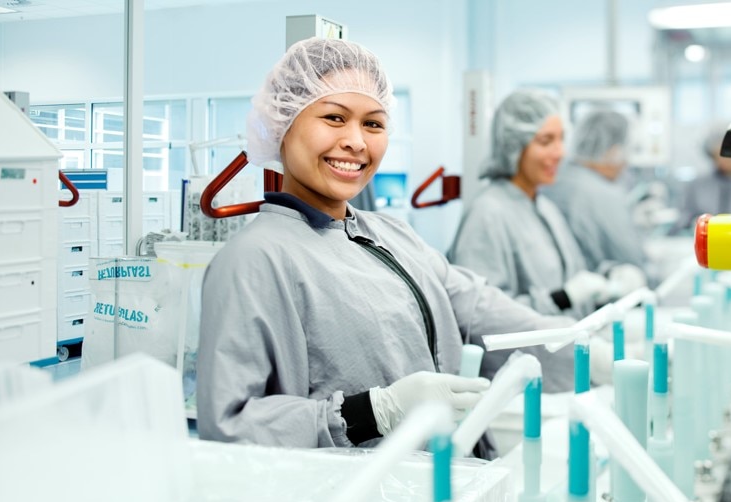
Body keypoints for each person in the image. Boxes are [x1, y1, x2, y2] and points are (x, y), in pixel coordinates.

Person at [195, 38, 607, 455]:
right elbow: (230, 425)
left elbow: (478, 307)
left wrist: (585, 351)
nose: (357, 141)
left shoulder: (390, 234)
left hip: (441, 484)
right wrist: (372, 412)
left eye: (373, 124)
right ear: (282, 125)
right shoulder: (253, 260)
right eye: (334, 118)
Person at [447, 90, 643, 319]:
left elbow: (573, 275)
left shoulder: (543, 207)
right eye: (546, 141)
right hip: (521, 356)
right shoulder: (488, 213)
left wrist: (610, 276)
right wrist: (561, 299)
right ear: (514, 146)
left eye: (561, 139)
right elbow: (479, 315)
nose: (560, 152)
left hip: (565, 348)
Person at [541, 109, 648, 280]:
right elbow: (632, 262)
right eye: (626, 152)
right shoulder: (604, 194)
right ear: (613, 151)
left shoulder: (553, 178)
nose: (626, 163)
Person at [672, 124, 731, 233]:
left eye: (727, 154)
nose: (722, 160)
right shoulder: (697, 185)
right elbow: (684, 219)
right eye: (715, 155)